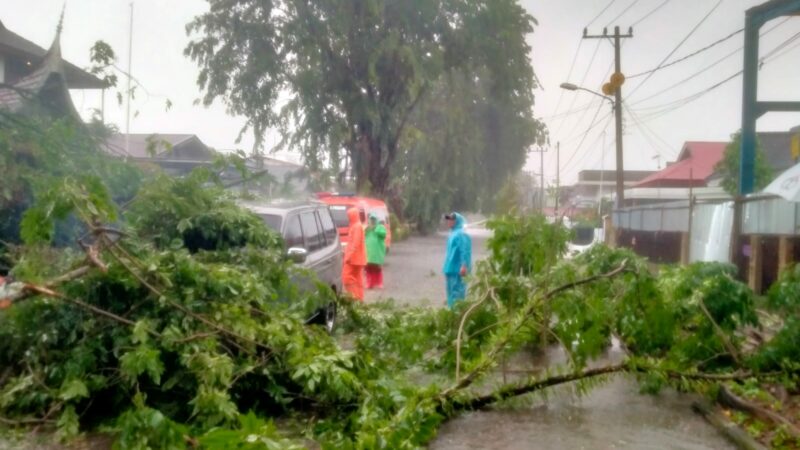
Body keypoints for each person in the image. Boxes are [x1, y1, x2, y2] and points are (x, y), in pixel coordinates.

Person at [442, 212, 472, 308]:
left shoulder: (462, 234)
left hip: (458, 270)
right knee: (450, 294)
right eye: (449, 219)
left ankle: (457, 316)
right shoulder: (453, 234)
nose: (449, 221)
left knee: (457, 294)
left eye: (452, 219)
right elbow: (449, 253)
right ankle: (451, 314)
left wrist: (464, 265)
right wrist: (446, 269)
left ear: (457, 221)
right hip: (450, 268)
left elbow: (465, 250)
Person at [342, 207, 367, 301]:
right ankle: (359, 300)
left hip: (354, 259)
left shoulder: (356, 226)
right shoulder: (357, 225)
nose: (348, 218)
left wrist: (348, 256)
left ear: (353, 215)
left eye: (349, 215)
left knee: (347, 278)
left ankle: (354, 298)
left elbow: (355, 244)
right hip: (357, 258)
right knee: (357, 280)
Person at [364, 213, 387, 289]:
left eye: (374, 219)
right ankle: (370, 283)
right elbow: (362, 234)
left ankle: (379, 283)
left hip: (377, 253)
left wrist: (375, 229)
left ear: (376, 220)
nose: (372, 221)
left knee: (377, 268)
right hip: (368, 253)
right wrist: (366, 229)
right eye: (371, 219)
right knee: (368, 269)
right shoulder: (367, 228)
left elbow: (384, 234)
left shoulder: (380, 227)